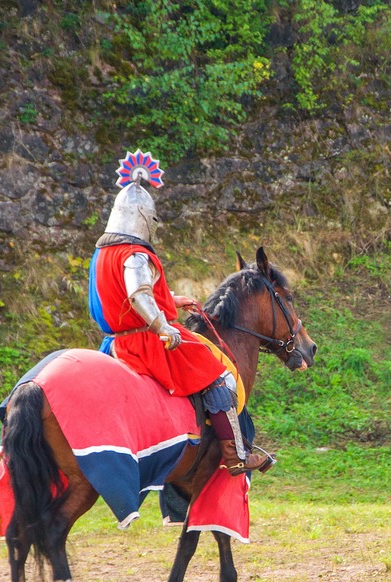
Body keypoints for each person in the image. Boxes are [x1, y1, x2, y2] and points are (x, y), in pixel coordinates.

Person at [87, 151, 272, 475]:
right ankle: (235, 456)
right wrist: (163, 326)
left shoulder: (101, 254)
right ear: (144, 217)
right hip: (146, 343)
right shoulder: (134, 254)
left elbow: (123, 300)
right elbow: (138, 295)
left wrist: (172, 301)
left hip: (114, 342)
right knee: (219, 376)